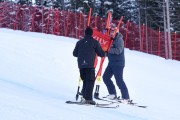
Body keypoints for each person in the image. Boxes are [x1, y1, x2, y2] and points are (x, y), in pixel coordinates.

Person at [73, 27, 105, 105]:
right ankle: (88, 99)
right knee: (90, 82)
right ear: (92, 34)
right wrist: (105, 51)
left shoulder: (79, 42)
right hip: (90, 65)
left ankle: (84, 97)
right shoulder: (95, 42)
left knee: (85, 81)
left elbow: (74, 54)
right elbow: (101, 54)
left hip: (81, 65)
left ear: (85, 33)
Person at [102, 25, 130, 102]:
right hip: (111, 63)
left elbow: (118, 50)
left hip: (118, 63)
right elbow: (107, 52)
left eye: (113, 32)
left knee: (119, 80)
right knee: (105, 77)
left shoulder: (119, 40)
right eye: (110, 32)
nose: (111, 33)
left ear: (116, 32)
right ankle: (112, 94)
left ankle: (126, 97)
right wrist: (102, 53)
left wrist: (108, 49)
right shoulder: (109, 40)